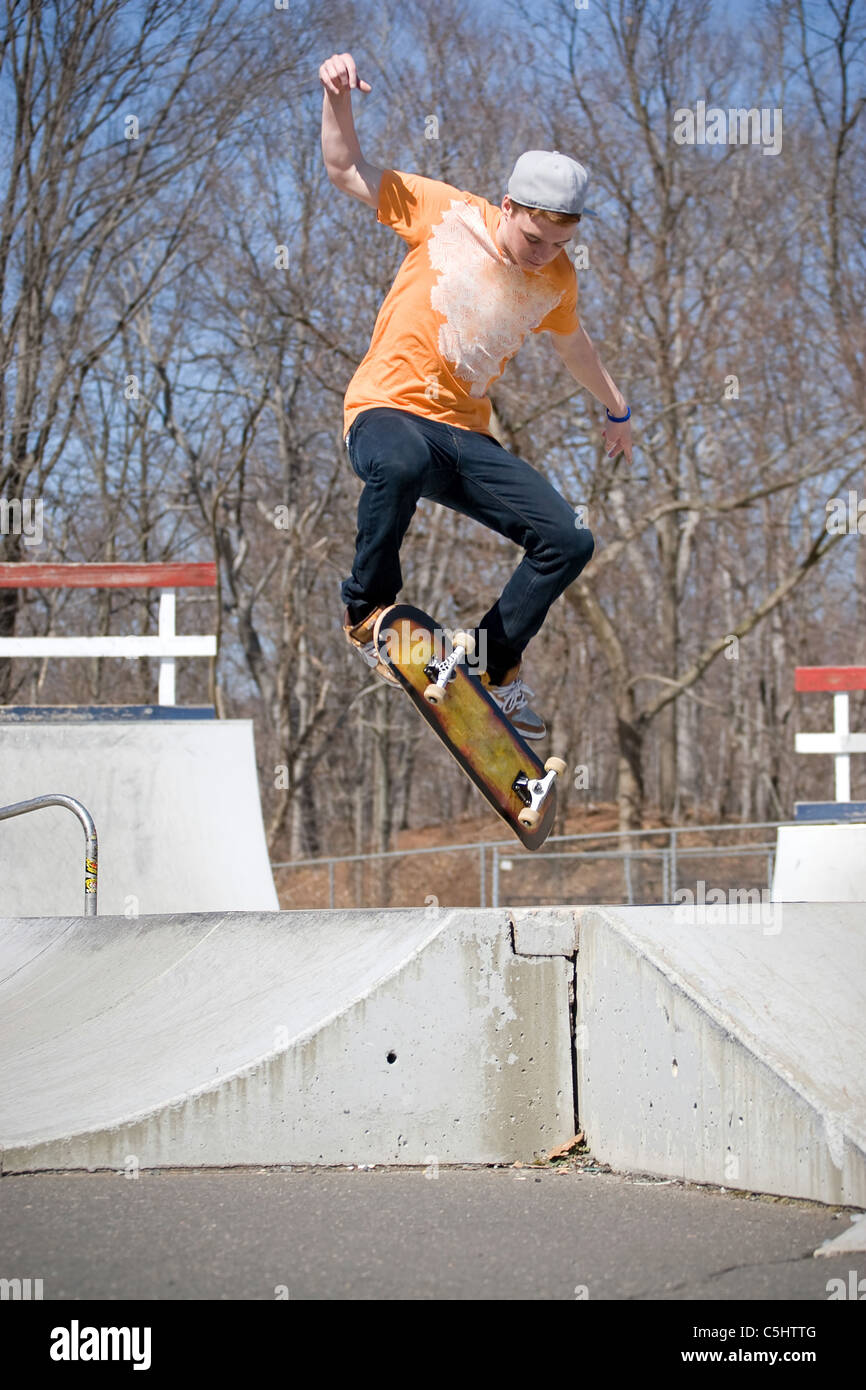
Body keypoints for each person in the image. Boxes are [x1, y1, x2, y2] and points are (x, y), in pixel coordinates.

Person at [319, 51, 632, 738]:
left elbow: (572, 343)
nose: (542, 253)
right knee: (398, 464)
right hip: (385, 410)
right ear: (508, 205)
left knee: (567, 539)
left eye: (559, 243)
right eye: (532, 235)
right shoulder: (444, 213)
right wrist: (336, 95)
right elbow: (346, 168)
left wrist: (617, 407)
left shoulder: (557, 281)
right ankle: (368, 613)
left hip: (464, 437)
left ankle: (492, 663)